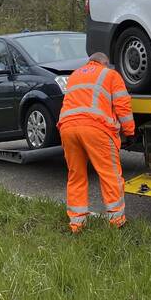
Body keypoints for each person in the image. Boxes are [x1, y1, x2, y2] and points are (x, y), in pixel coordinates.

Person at [58, 51, 134, 232]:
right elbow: (122, 105)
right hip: (96, 129)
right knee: (110, 175)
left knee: (76, 175)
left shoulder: (75, 75)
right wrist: (130, 132)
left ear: (90, 62)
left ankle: (77, 224)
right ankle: (117, 222)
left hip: (68, 128)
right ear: (104, 63)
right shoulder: (110, 75)